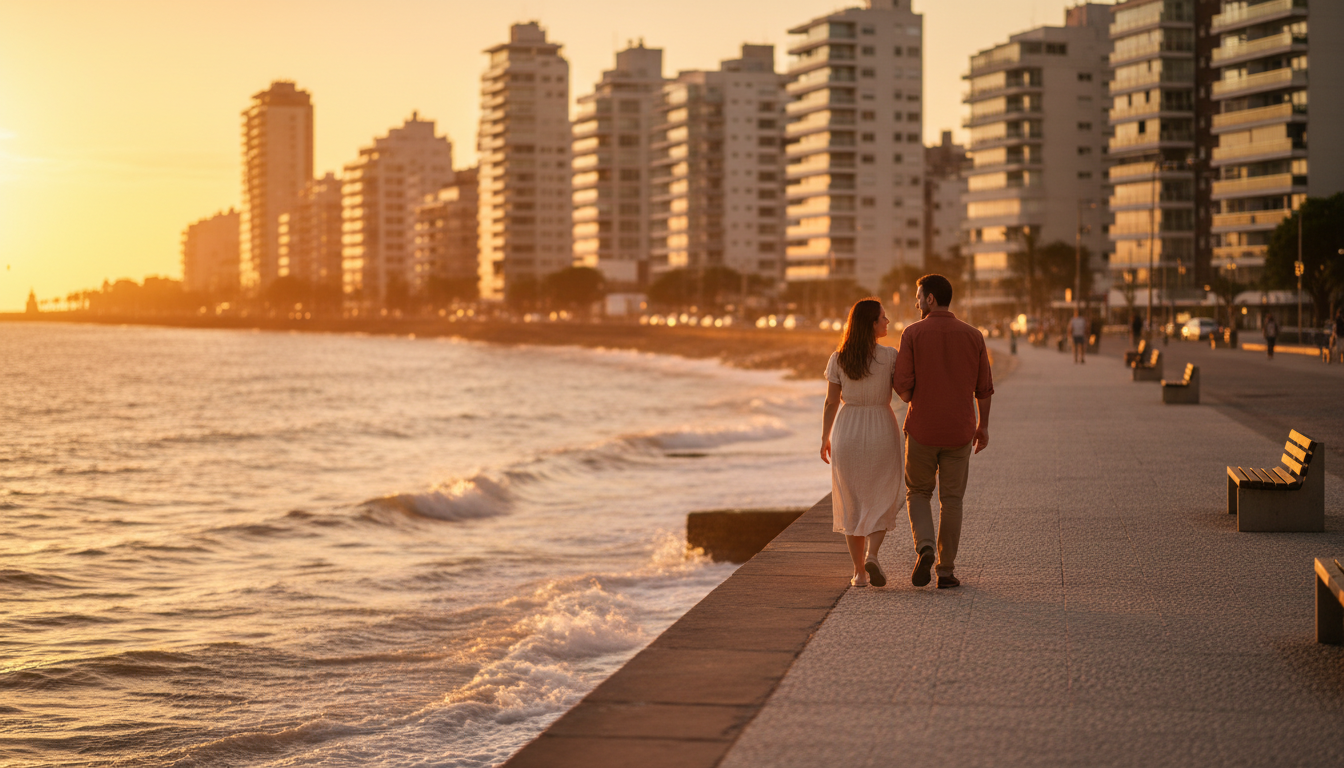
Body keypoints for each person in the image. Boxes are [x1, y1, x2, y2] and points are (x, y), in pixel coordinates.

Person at [893, 275, 993, 589]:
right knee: (952, 500)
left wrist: (915, 398)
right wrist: (983, 426)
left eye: (919, 296)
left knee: (918, 493)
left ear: (931, 299)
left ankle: (924, 547)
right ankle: (946, 571)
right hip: (960, 431)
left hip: (922, 428)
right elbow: (984, 389)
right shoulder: (974, 335)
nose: (916, 302)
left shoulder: (912, 333)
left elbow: (903, 385)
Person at [821, 298, 904, 588]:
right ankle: (873, 554)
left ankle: (859, 573)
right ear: (871, 323)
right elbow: (906, 393)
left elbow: (831, 402)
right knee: (884, 494)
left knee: (851, 500)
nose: (887, 322)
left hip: (848, 430)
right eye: (883, 317)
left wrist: (824, 438)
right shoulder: (891, 356)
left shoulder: (839, 358)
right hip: (882, 425)